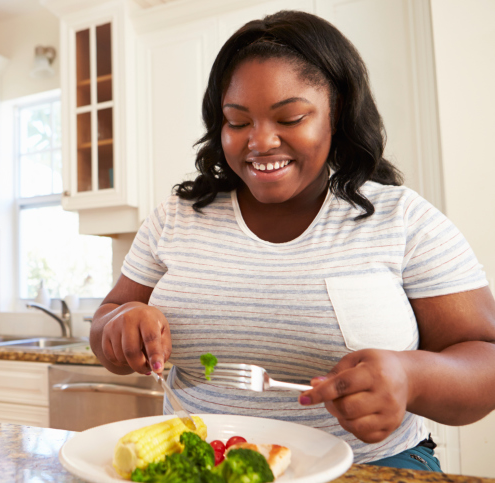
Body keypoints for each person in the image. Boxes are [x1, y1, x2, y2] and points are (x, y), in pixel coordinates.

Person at [89, 9, 495, 471]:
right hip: (204, 467)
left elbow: (485, 361)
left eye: (291, 117)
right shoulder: (174, 220)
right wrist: (119, 323)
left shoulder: (403, 219)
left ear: (336, 114)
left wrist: (412, 378)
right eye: (237, 122)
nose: (259, 142)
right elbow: (105, 323)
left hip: (373, 468)